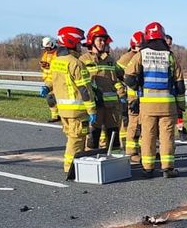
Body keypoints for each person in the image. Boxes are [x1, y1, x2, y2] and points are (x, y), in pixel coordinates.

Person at [125, 21, 186, 178]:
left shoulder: (141, 55)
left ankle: (148, 168)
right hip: (167, 106)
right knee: (167, 137)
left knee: (148, 135)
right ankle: (167, 168)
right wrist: (181, 106)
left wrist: (139, 87)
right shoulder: (170, 57)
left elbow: (128, 77)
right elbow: (179, 84)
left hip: (147, 105)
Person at [50, 26, 97, 179]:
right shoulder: (75, 63)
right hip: (76, 110)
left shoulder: (56, 61)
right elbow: (84, 89)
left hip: (63, 109)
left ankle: (74, 166)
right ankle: (70, 168)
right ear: (72, 43)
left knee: (71, 138)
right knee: (77, 140)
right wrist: (92, 111)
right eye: (78, 43)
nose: (80, 47)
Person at [82, 24, 124, 153]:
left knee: (114, 137)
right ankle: (89, 163)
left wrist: (122, 95)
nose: (102, 43)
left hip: (111, 106)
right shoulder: (83, 60)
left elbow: (116, 80)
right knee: (93, 138)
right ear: (91, 41)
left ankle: (115, 163)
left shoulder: (110, 60)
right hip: (95, 106)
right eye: (99, 40)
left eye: (103, 40)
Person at [116, 30, 144, 162]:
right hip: (132, 97)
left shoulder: (143, 56)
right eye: (139, 46)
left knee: (143, 125)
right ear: (133, 45)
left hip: (143, 97)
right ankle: (131, 152)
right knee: (133, 124)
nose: (141, 48)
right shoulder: (127, 57)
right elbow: (116, 74)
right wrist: (122, 91)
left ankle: (144, 150)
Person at [38, 36, 61, 123]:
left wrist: (49, 65)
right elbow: (44, 64)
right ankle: (55, 116)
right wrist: (43, 64)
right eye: (45, 48)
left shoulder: (58, 54)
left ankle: (61, 116)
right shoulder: (46, 54)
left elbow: (58, 66)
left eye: (48, 48)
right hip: (48, 80)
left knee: (55, 98)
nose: (47, 49)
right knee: (50, 98)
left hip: (57, 80)